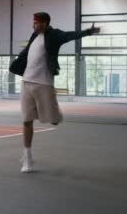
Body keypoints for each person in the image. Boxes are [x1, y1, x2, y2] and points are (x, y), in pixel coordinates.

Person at [9, 12, 100, 173]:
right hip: (27, 82)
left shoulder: (55, 35)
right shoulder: (34, 36)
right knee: (26, 120)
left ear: (45, 23)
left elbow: (69, 36)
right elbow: (27, 53)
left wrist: (87, 32)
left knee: (54, 120)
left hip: (44, 83)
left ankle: (55, 112)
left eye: (36, 23)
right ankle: (28, 158)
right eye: (33, 22)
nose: (33, 25)